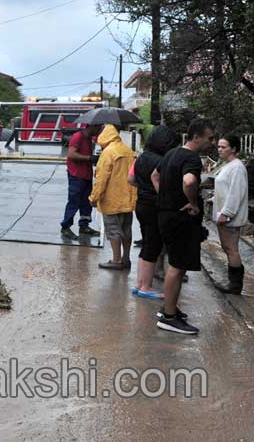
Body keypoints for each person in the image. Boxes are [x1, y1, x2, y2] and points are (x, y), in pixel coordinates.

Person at [151, 119, 216, 335]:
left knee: (176, 263)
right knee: (177, 266)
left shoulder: (171, 153)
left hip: (165, 214)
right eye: (210, 138)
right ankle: (169, 317)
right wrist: (194, 203)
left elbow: (155, 175)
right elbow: (189, 182)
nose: (212, 142)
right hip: (180, 218)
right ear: (196, 137)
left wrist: (166, 196)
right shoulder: (191, 158)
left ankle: (169, 309)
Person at [128, 124, 180, 298]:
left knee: (147, 243)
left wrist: (144, 188)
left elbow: (131, 178)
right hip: (155, 206)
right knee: (153, 246)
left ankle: (139, 283)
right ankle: (146, 287)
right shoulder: (161, 161)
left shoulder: (142, 157)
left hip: (141, 204)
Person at [89, 125, 137, 269]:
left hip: (111, 199)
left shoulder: (108, 153)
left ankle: (116, 260)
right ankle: (126, 258)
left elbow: (101, 179)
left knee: (113, 230)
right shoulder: (129, 151)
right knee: (126, 230)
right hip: (128, 198)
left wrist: (94, 197)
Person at [212, 135, 249, 294]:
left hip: (229, 216)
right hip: (223, 213)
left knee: (231, 248)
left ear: (233, 149)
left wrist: (227, 212)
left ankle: (235, 285)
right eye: (219, 147)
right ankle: (232, 282)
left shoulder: (237, 167)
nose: (219, 150)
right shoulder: (228, 165)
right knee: (227, 247)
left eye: (223, 147)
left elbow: (236, 192)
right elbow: (225, 189)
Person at [60, 124, 103, 239]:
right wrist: (89, 158)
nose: (99, 130)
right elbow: (71, 154)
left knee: (86, 202)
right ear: (92, 127)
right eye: (99, 127)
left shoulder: (89, 138)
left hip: (86, 175)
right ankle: (65, 227)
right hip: (76, 175)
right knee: (74, 201)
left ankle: (84, 226)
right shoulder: (77, 137)